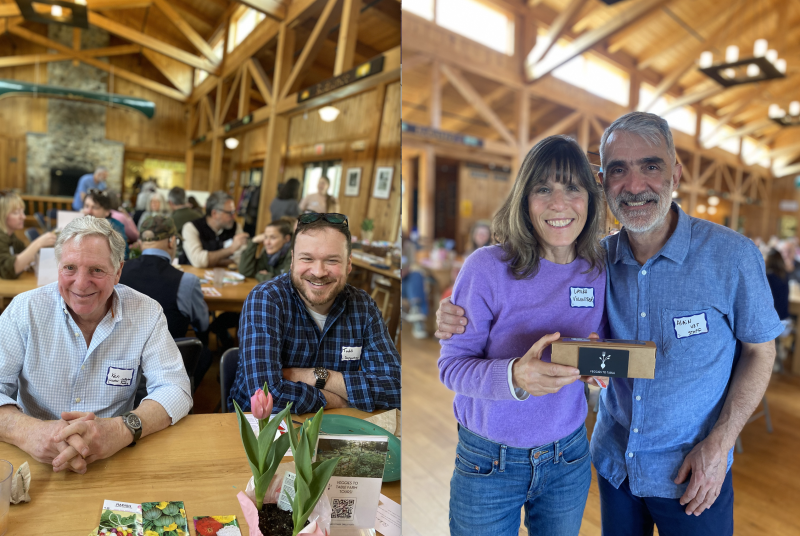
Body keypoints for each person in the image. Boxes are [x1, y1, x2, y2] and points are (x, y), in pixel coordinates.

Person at [435, 112, 783, 536]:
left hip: (688, 472)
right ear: (604, 182)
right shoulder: (594, 262)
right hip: (604, 465)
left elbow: (761, 349)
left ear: (675, 172)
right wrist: (464, 328)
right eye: (619, 169)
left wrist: (722, 441)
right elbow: (583, 345)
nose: (634, 185)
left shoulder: (726, 256)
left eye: (650, 166)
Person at [439, 136, 606, 536]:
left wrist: (597, 366)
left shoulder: (599, 269)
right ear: (524, 200)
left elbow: (604, 351)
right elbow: (450, 368)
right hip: (488, 460)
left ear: (590, 199)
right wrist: (514, 376)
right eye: (543, 189)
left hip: (569, 455)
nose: (559, 203)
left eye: (572, 188)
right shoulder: (486, 267)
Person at [0, 216, 192, 474]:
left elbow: (176, 388)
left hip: (115, 460)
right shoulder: (24, 311)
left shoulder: (146, 312)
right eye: (70, 268)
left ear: (118, 272)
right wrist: (28, 432)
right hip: (33, 462)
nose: (80, 284)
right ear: (58, 267)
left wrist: (122, 428)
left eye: (96, 270)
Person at [228, 212, 401, 414]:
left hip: (338, 429)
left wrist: (319, 376)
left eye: (332, 261)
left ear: (349, 264)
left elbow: (396, 388)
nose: (318, 272)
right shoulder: (266, 299)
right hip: (258, 431)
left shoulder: (364, 307)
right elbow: (266, 396)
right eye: (307, 258)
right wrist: (340, 400)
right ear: (292, 260)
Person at [119, 216, 211, 389]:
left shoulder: (119, 272)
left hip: (122, 359)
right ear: (172, 241)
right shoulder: (187, 281)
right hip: (166, 365)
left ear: (141, 242)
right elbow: (203, 324)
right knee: (205, 353)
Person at [179, 191, 249, 268]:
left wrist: (210, 261)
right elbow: (198, 261)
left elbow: (243, 260)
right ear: (214, 214)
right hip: (194, 277)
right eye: (230, 213)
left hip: (226, 278)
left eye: (234, 212)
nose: (234, 217)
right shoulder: (191, 227)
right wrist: (230, 249)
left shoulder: (236, 227)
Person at [0, 191, 57, 279]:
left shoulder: (11, 236)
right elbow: (8, 271)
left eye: (22, 212)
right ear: (2, 215)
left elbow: (24, 253)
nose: (23, 217)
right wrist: (38, 243)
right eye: (16, 213)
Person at [82, 190, 130, 260]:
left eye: (95, 207)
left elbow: (122, 255)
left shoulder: (115, 227)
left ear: (107, 211)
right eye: (86, 206)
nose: (89, 211)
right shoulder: (79, 224)